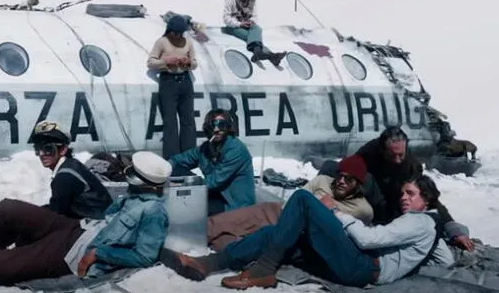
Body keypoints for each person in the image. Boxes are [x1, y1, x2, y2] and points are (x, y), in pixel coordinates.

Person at [0, 151, 172, 289]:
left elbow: (145, 256)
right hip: (75, 230)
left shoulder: (154, 212)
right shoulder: (136, 197)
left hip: (71, 253)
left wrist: (98, 253)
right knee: (7, 209)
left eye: (131, 172)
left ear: (143, 180)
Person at [160, 175, 455, 290]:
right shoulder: (427, 227)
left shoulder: (419, 222)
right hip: (360, 263)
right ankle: (206, 265)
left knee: (303, 200)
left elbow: (368, 239)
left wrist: (335, 214)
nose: (404, 198)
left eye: (411, 193)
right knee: (274, 235)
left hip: (363, 267)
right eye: (403, 192)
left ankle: (263, 269)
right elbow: (445, 260)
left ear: (426, 199)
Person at [319, 126, 475, 251]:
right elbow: (349, 168)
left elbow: (429, 198)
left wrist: (453, 229)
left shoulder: (410, 166)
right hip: (366, 196)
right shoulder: (369, 152)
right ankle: (321, 208)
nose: (399, 160)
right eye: (393, 155)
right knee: (332, 167)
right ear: (382, 150)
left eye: (401, 154)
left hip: (389, 210)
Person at [0, 121, 114, 253]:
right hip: (88, 223)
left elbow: (55, 217)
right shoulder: (70, 166)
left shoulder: (65, 176)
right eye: (38, 149)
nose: (42, 154)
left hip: (90, 231)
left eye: (48, 149)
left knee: (18, 215)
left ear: (63, 149)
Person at [205, 154, 373, 251]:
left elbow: (346, 235)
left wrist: (329, 209)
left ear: (358, 183)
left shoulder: (363, 209)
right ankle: (197, 236)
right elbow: (297, 198)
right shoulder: (322, 181)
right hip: (282, 211)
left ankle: (214, 248)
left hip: (297, 232)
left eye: (348, 179)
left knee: (228, 245)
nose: (341, 181)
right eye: (340, 175)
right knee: (232, 219)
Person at [169, 108, 254, 216]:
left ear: (228, 127)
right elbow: (180, 159)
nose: (216, 129)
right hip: (214, 194)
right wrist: (164, 168)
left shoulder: (235, 149)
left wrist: (182, 185)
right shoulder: (207, 147)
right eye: (212, 125)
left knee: (189, 207)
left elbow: (213, 181)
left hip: (232, 204)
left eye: (221, 125)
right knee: (175, 169)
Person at [147, 15, 198, 160]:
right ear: (170, 31)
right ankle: (172, 159)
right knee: (170, 122)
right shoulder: (162, 42)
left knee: (188, 120)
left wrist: (188, 63)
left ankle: (189, 157)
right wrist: (165, 61)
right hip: (168, 81)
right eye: (175, 33)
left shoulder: (188, 42)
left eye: (180, 33)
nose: (177, 36)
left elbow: (194, 63)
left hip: (185, 82)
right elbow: (150, 62)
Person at [221, 0, 286, 66]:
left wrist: (251, 21)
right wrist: (240, 24)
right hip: (233, 26)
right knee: (253, 37)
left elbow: (255, 16)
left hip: (247, 25)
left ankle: (259, 54)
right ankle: (271, 56)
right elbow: (226, 18)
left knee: (257, 29)